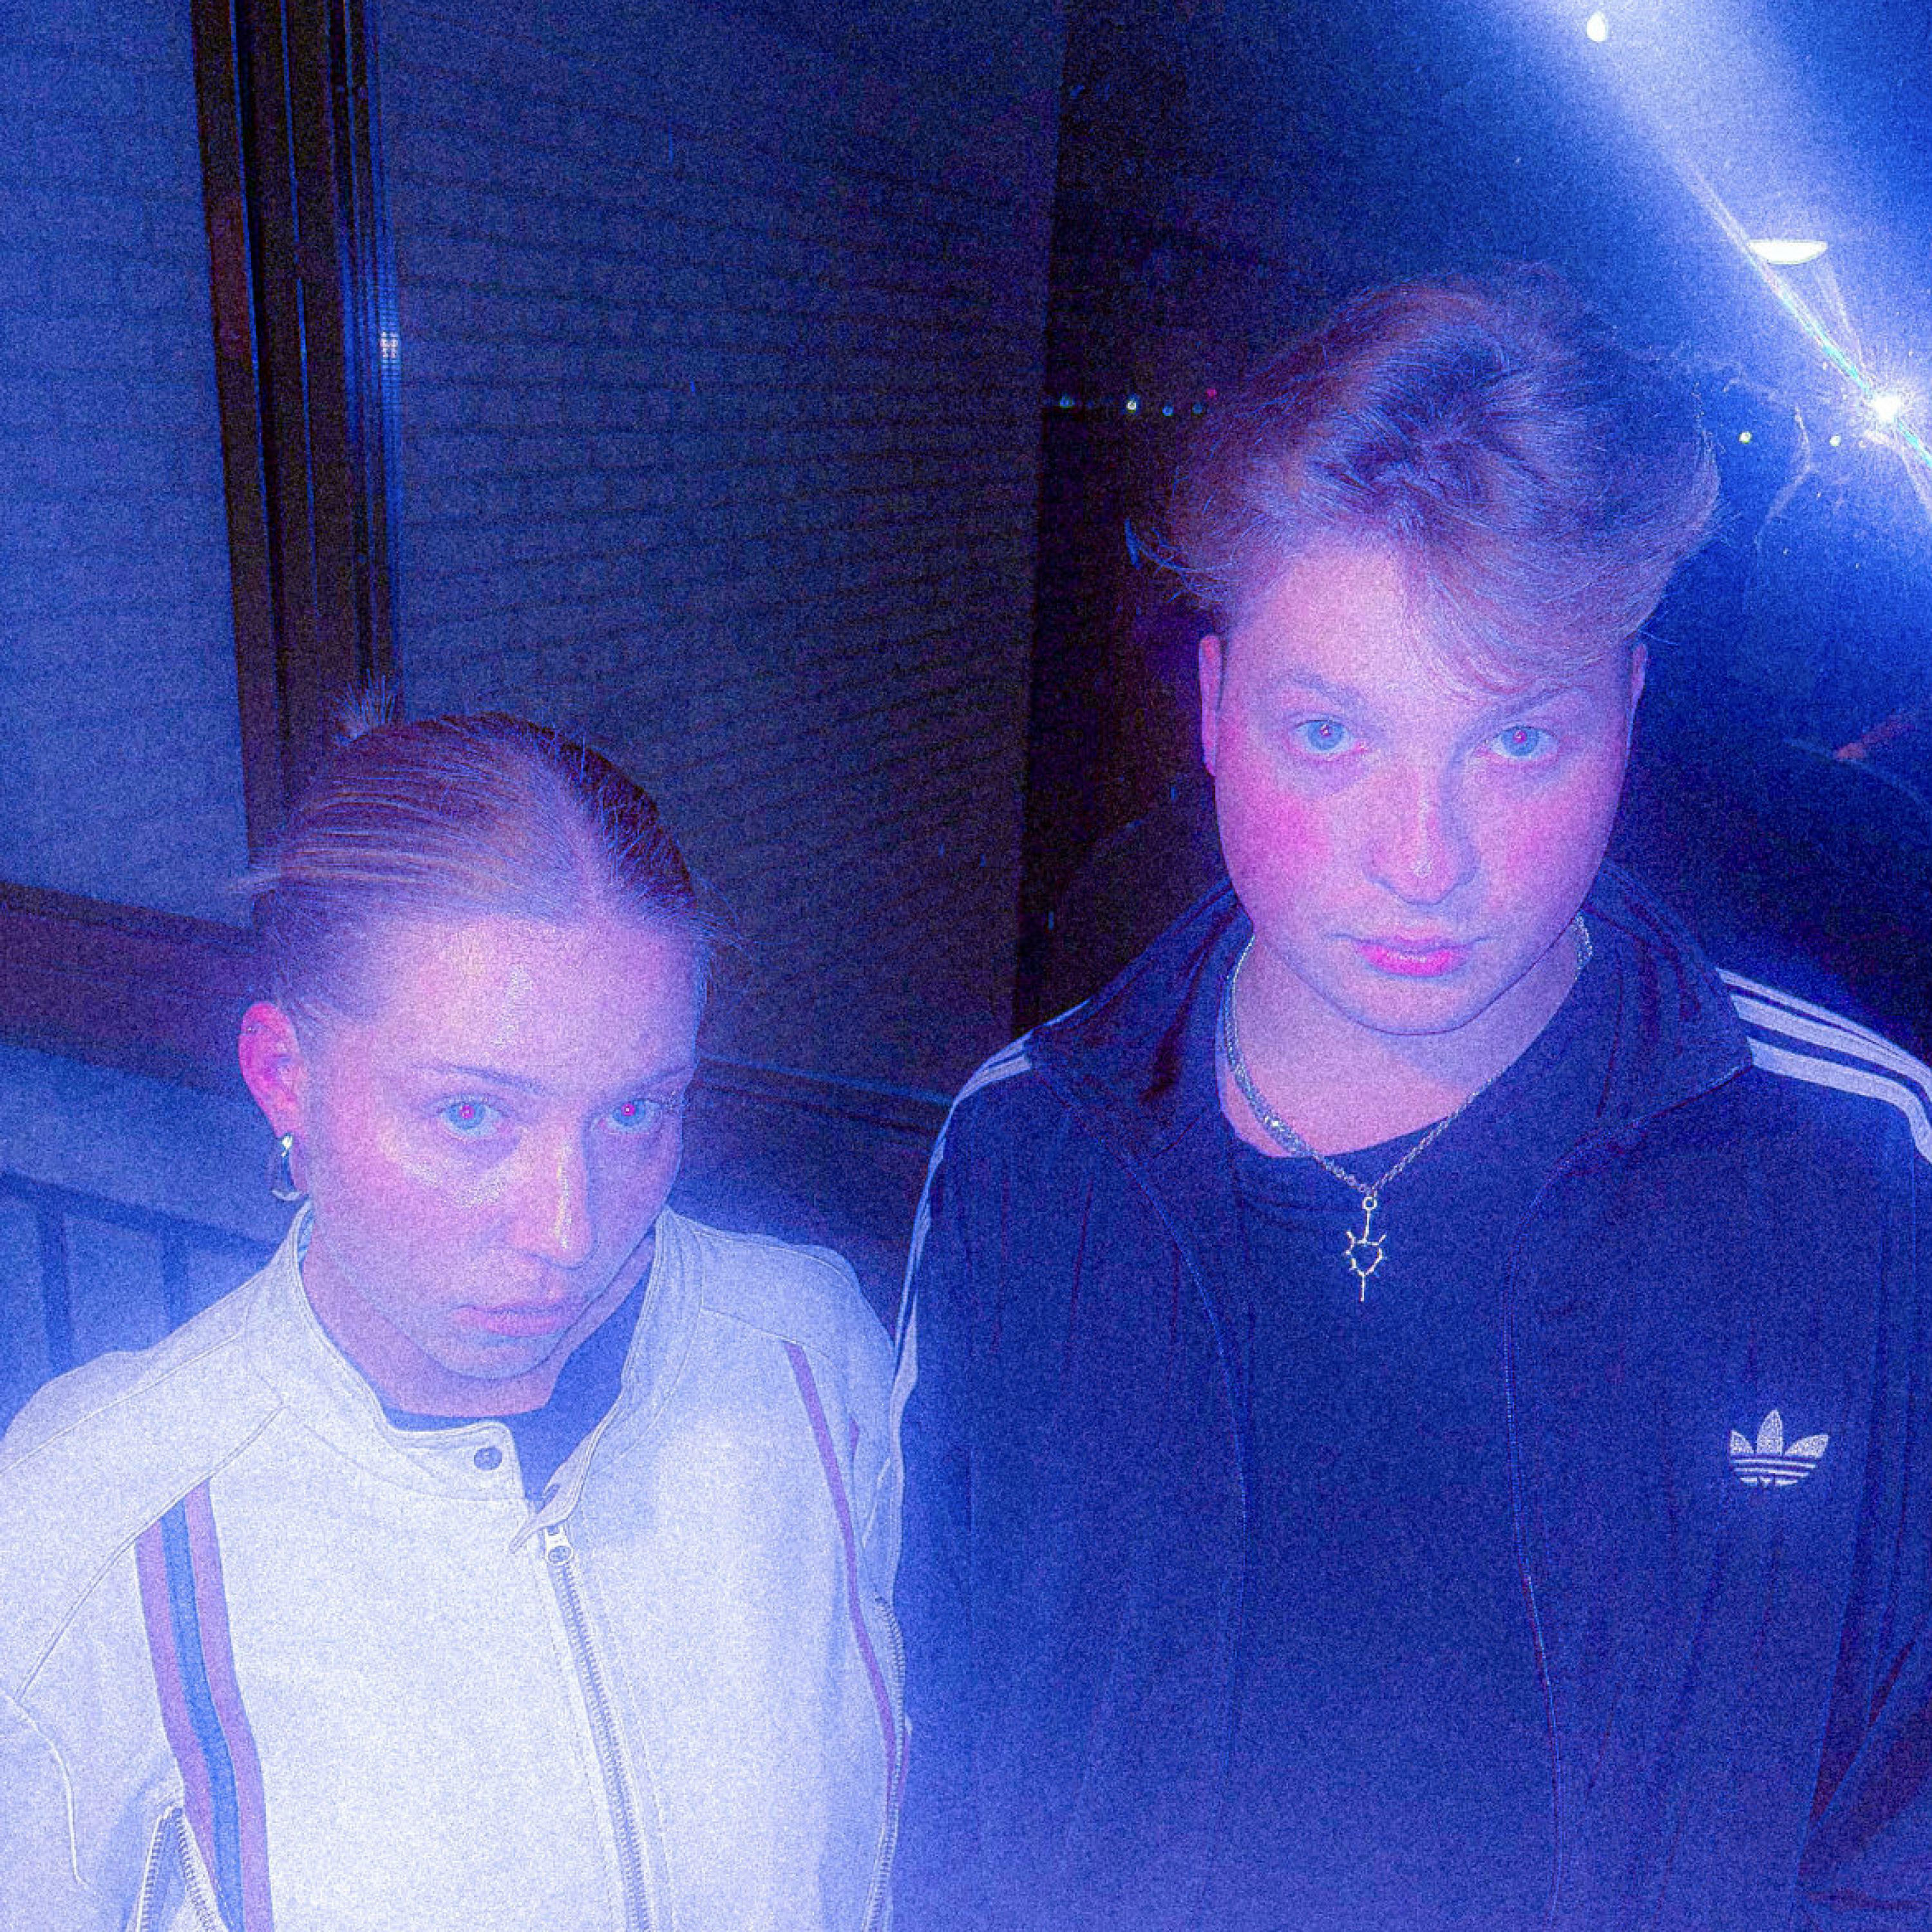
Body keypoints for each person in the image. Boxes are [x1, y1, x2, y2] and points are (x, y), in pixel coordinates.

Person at [892, 269, 1932, 1931]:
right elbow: (949, 1782)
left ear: (1628, 712)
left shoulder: (1860, 1179)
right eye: (1331, 732)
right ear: (1216, 713)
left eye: (1515, 742)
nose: (1423, 856)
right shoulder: (1025, 1153)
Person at [0, 709, 905, 1931]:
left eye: (634, 1112)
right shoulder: (91, 1517)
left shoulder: (805, 1354)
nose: (569, 1231)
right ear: (285, 1079)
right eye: (471, 1115)